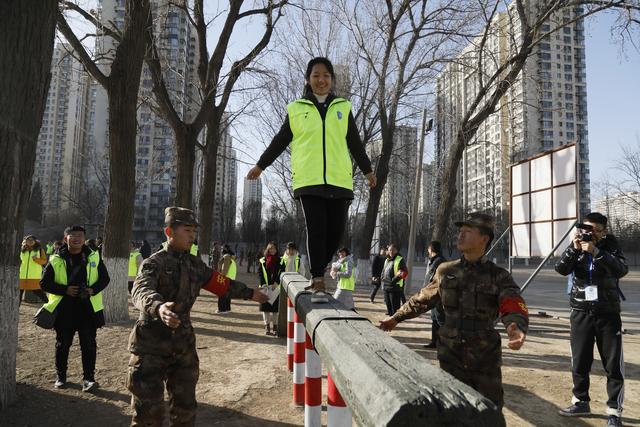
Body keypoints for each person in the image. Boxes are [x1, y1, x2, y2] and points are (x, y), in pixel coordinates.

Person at [246, 56, 376, 301]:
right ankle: (317, 280)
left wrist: (368, 169)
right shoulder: (296, 109)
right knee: (316, 228)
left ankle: (318, 270)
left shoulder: (343, 107)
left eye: (326, 75)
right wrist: (261, 165)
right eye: (316, 75)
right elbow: (280, 139)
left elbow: (355, 142)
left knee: (335, 232)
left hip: (339, 179)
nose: (321, 80)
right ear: (308, 79)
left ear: (332, 79)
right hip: (309, 180)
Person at [379, 213, 528, 420]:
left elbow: (512, 303)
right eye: (460, 231)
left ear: (484, 239)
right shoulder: (446, 270)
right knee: (451, 410)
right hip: (451, 353)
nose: (460, 235)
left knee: (489, 411)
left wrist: (514, 326)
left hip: (484, 355)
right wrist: (396, 318)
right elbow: (422, 299)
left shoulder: (498, 275)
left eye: (467, 232)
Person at [127, 207, 268, 426]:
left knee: (185, 409)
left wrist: (251, 294)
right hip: (150, 347)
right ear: (169, 232)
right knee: (148, 414)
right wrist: (159, 307)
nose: (192, 236)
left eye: (194, 231)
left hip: (183, 346)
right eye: (187, 230)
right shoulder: (153, 263)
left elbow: (221, 284)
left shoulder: (194, 265)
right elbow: (140, 290)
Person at [554, 213, 628, 427]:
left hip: (608, 313)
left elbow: (621, 270)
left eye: (594, 229)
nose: (589, 233)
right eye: (586, 228)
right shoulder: (576, 246)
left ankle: (614, 411)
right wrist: (573, 249)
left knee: (613, 365)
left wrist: (596, 252)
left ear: (604, 231)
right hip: (580, 311)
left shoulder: (611, 247)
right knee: (579, 361)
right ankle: (580, 401)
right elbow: (561, 269)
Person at [39, 225, 110, 392]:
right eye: (73, 235)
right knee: (62, 345)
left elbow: (105, 278)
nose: (77, 238)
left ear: (84, 239)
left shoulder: (94, 257)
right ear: (66, 239)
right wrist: (65, 290)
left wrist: (93, 290)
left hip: (88, 308)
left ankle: (88, 379)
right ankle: (61, 377)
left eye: (80, 235)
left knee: (89, 345)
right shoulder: (56, 259)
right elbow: (44, 283)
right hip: (65, 310)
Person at [423, 241, 447, 349]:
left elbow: (436, 279)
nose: (428, 251)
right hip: (432, 294)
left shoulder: (439, 261)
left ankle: (445, 344)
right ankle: (434, 342)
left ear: (431, 250)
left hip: (438, 295)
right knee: (434, 319)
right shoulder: (434, 260)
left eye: (428, 249)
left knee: (441, 320)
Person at [258, 241, 283, 335]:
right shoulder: (262, 260)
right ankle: (267, 326)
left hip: (276, 288)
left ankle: (275, 327)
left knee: (275, 310)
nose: (272, 250)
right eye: (270, 248)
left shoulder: (281, 260)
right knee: (266, 309)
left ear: (276, 250)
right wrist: (263, 284)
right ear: (267, 249)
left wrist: (276, 283)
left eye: (274, 248)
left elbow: (282, 272)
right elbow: (260, 273)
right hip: (265, 287)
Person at [19, 235, 48, 304]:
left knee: (38, 292)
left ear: (35, 241)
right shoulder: (22, 250)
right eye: (28, 240)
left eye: (32, 240)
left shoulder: (40, 250)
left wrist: (36, 259)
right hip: (22, 275)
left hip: (34, 276)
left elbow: (44, 261)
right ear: (25, 241)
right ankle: (15, 310)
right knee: (19, 294)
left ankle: (49, 305)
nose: (30, 241)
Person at [381, 244, 408, 316]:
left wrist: (392, 281)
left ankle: (395, 321)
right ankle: (390, 319)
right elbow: (384, 270)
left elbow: (403, 272)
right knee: (388, 306)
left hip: (395, 287)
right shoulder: (387, 260)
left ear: (396, 250)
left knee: (395, 308)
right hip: (386, 286)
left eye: (393, 250)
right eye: (390, 250)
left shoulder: (400, 259)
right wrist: (382, 278)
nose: (391, 251)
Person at [216, 244, 236, 314]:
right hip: (231, 279)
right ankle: (227, 308)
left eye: (222, 248)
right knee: (228, 295)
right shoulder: (231, 257)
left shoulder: (226, 257)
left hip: (225, 278)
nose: (221, 250)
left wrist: (221, 277)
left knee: (222, 294)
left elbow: (225, 269)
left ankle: (222, 309)